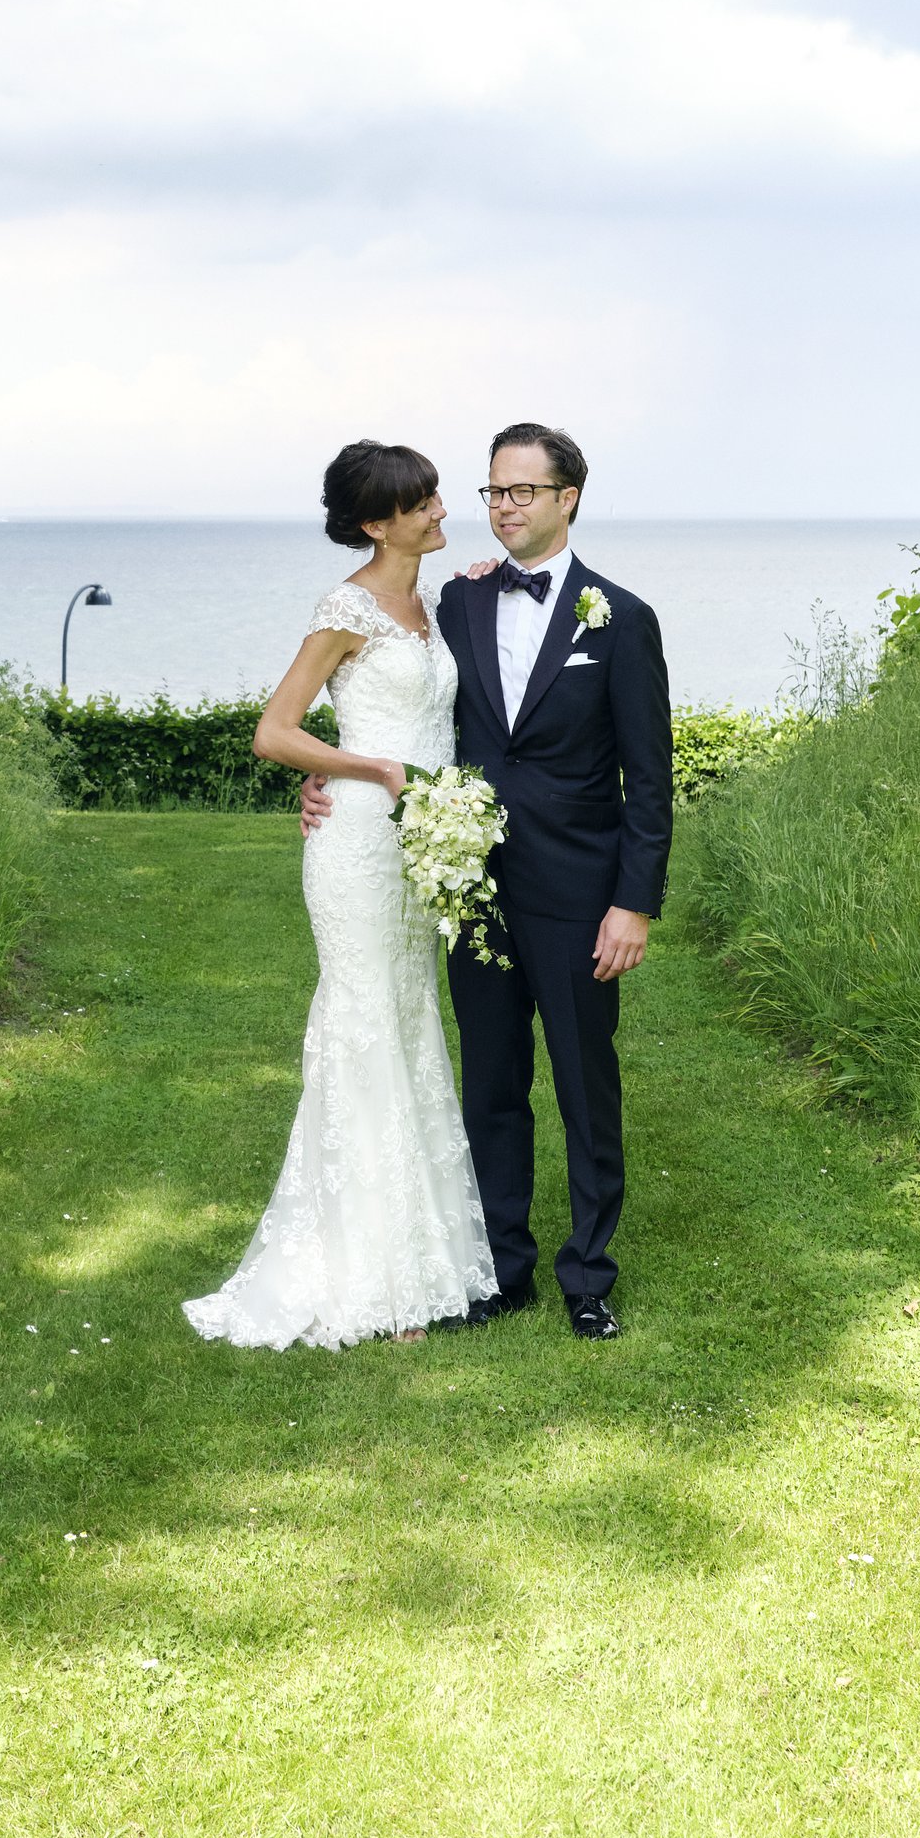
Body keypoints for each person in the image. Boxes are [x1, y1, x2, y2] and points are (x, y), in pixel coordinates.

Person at [302, 424, 671, 1340]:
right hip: (467, 886)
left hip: (581, 893)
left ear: (567, 498)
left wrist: (634, 901)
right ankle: (499, 1269)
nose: (504, 507)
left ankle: (587, 1273)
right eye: (494, 492)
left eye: (523, 492)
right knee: (491, 1083)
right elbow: (404, 709)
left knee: (586, 1086)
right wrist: (332, 775)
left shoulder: (621, 619)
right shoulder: (455, 604)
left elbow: (650, 778)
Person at [182, 440, 498, 1351]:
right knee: (362, 1022)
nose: (442, 508)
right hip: (360, 841)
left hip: (426, 842)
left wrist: (429, 797)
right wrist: (371, 771)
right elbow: (275, 732)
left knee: (409, 1019)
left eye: (437, 494)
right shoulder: (345, 607)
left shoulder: (436, 603)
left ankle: (423, 1260)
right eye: (422, 502)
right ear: (374, 522)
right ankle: (371, 1276)